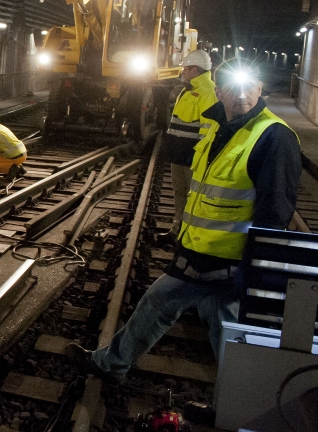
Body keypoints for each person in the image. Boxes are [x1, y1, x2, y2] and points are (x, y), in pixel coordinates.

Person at [66, 59, 301, 380]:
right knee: (217, 324)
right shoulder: (219, 128)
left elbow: (275, 210)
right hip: (204, 254)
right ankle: (242, 399)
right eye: (232, 87)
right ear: (218, 92)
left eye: (249, 86)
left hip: (229, 262)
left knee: (163, 303)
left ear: (260, 88)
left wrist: (254, 267)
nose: (241, 94)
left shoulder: (273, 136)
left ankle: (112, 365)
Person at [160, 50, 217, 236]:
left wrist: (198, 155)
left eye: (186, 68)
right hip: (179, 153)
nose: (183, 71)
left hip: (192, 155)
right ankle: (177, 228)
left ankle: (190, 232)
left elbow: (208, 128)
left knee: (193, 194)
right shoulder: (187, 90)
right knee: (179, 191)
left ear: (195, 70)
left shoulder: (207, 92)